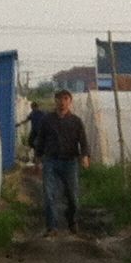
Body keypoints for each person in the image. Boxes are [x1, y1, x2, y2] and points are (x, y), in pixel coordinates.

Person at [27, 88, 90, 233]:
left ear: (70, 102)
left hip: (70, 162)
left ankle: (72, 220)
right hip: (51, 161)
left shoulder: (76, 121)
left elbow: (83, 141)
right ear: (55, 101)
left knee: (72, 196)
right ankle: (52, 226)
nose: (62, 102)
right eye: (59, 99)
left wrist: (85, 156)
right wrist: (37, 160)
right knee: (49, 194)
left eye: (65, 99)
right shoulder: (47, 120)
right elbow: (40, 140)